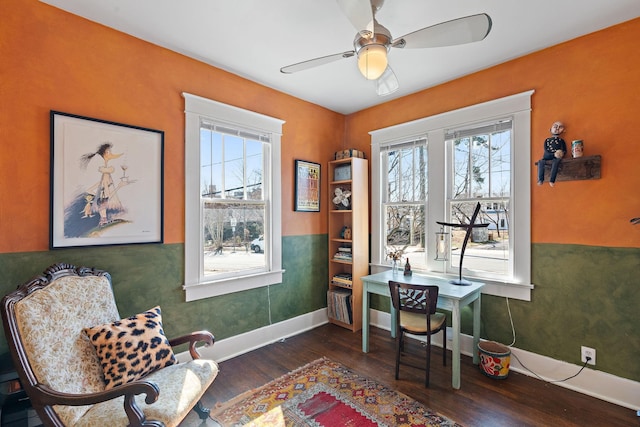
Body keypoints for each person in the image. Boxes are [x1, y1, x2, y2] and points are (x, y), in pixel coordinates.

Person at [537, 121, 567, 187]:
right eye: (555, 126)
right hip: (547, 156)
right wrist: (553, 154)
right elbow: (546, 149)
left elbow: (564, 150)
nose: (557, 128)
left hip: (557, 157)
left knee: (556, 162)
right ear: (550, 129)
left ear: (563, 130)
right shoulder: (547, 140)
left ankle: (552, 180)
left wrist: (561, 153)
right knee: (540, 162)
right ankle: (540, 180)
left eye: (560, 127)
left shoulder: (561, 141)